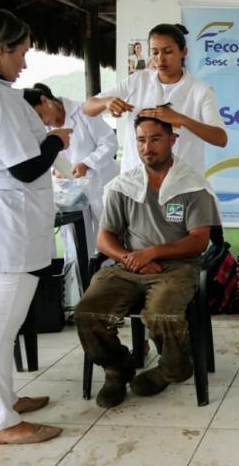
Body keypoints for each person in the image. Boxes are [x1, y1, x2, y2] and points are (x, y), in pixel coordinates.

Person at [0, 8, 71, 445]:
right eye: (21, 53)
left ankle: (2, 400)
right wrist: (55, 140)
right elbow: (26, 168)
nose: (25, 63)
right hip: (5, 221)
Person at [73, 116, 221, 408]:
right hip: (128, 266)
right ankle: (117, 368)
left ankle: (173, 368)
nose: (147, 147)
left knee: (163, 314)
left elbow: (198, 241)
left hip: (178, 268)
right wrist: (132, 259)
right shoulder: (123, 186)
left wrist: (152, 253)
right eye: (141, 140)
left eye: (155, 138)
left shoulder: (192, 186)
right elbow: (104, 240)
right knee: (88, 312)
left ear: (172, 140)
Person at [83, 23, 228, 174]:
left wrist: (181, 119)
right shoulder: (138, 81)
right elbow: (88, 107)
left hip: (181, 184)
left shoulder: (200, 90)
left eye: (168, 51)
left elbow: (220, 138)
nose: (160, 58)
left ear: (184, 51)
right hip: (136, 181)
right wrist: (106, 102)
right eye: (155, 52)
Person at [23, 82, 119, 254]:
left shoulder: (83, 111)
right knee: (78, 245)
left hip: (101, 183)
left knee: (110, 237)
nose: (42, 122)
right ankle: (82, 278)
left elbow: (109, 142)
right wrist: (56, 171)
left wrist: (87, 163)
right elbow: (47, 158)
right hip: (72, 191)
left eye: (39, 114)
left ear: (45, 100)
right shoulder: (43, 128)